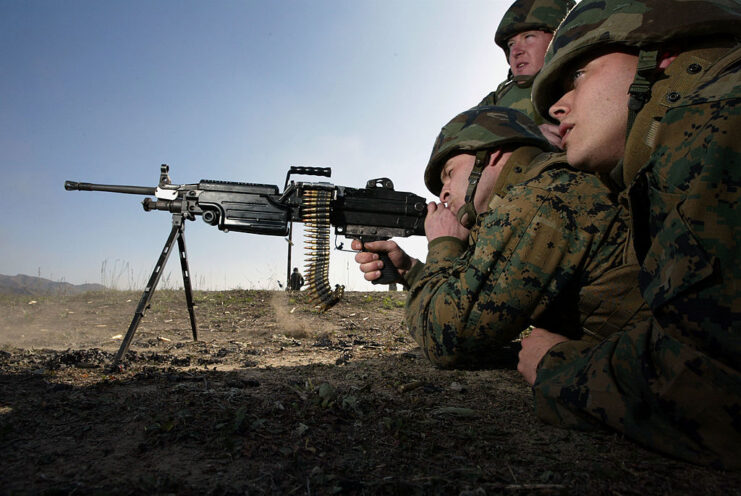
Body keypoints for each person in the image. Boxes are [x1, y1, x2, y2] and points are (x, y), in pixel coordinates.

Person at [520, 0, 741, 469]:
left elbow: (714, 387)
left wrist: (555, 365)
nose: (558, 107)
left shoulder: (713, 123)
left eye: (577, 77)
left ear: (661, 55)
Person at [354, 106, 649, 369]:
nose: (443, 193)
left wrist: (444, 244)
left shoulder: (538, 201)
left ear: (491, 153)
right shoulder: (533, 194)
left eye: (449, 173)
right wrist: (412, 271)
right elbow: (469, 297)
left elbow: (445, 340)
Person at [477, 0, 574, 147]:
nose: (516, 51)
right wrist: (525, 134)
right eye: (511, 44)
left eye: (528, 37)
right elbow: (454, 142)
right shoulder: (495, 100)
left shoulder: (586, 79)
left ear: (558, 38)